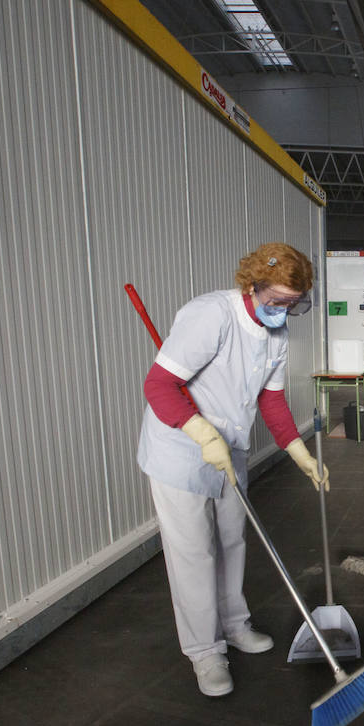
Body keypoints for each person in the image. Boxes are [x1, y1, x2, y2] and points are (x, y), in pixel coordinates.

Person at [137, 242, 330, 697]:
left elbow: (272, 399)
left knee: (230, 540)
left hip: (232, 446)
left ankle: (234, 623)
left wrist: (297, 452)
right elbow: (160, 385)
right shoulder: (212, 316)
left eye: (293, 304)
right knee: (194, 551)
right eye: (277, 301)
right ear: (252, 285)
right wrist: (200, 432)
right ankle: (205, 651)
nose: (284, 311)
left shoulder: (277, 335)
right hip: (181, 447)